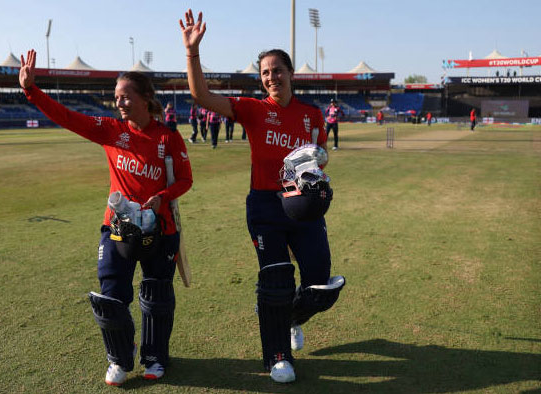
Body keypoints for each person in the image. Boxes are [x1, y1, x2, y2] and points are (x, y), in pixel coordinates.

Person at [180, 10, 345, 384]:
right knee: (276, 280)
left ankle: (291, 317)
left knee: (319, 281)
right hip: (266, 206)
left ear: (290, 73)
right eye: (265, 72)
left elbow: (321, 154)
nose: (272, 77)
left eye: (277, 70)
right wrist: (192, 52)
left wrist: (319, 160)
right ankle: (277, 356)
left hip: (303, 206)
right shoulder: (254, 110)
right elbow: (200, 95)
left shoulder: (312, 115)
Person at [19, 49, 193, 386]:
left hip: (160, 229)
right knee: (112, 295)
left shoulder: (168, 137)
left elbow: (185, 179)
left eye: (126, 97)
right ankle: (119, 359)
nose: (120, 103)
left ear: (145, 98)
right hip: (117, 228)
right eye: (116, 98)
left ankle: (155, 357)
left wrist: (163, 197)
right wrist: (31, 90)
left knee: (157, 296)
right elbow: (66, 116)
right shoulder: (110, 130)